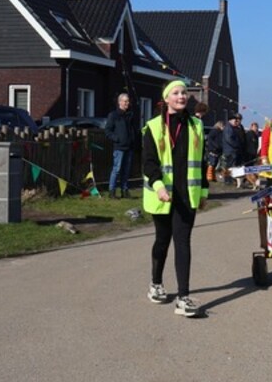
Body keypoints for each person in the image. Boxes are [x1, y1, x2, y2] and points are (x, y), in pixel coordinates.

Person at [143, 80, 208, 317]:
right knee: (162, 240)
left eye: (184, 93)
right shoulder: (153, 126)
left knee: (183, 243)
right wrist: (158, 186)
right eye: (176, 93)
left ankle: (183, 298)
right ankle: (156, 283)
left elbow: (201, 161)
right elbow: (148, 162)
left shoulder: (196, 125)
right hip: (162, 196)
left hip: (187, 195)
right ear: (166, 98)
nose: (181, 96)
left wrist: (203, 192)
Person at [105, 92, 139, 199]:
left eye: (128, 101)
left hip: (129, 147)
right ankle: (112, 191)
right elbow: (108, 131)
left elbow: (133, 129)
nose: (127, 103)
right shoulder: (113, 115)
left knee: (126, 170)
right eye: (125, 101)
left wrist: (133, 140)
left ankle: (124, 190)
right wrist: (117, 139)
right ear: (120, 102)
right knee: (117, 169)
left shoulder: (130, 115)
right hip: (119, 147)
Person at [221, 113, 246, 184]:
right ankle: (228, 180)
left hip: (233, 150)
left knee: (232, 166)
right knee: (230, 167)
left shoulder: (232, 127)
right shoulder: (228, 128)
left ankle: (231, 179)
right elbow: (229, 139)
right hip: (230, 150)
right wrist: (236, 144)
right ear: (230, 120)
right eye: (235, 120)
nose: (236, 122)